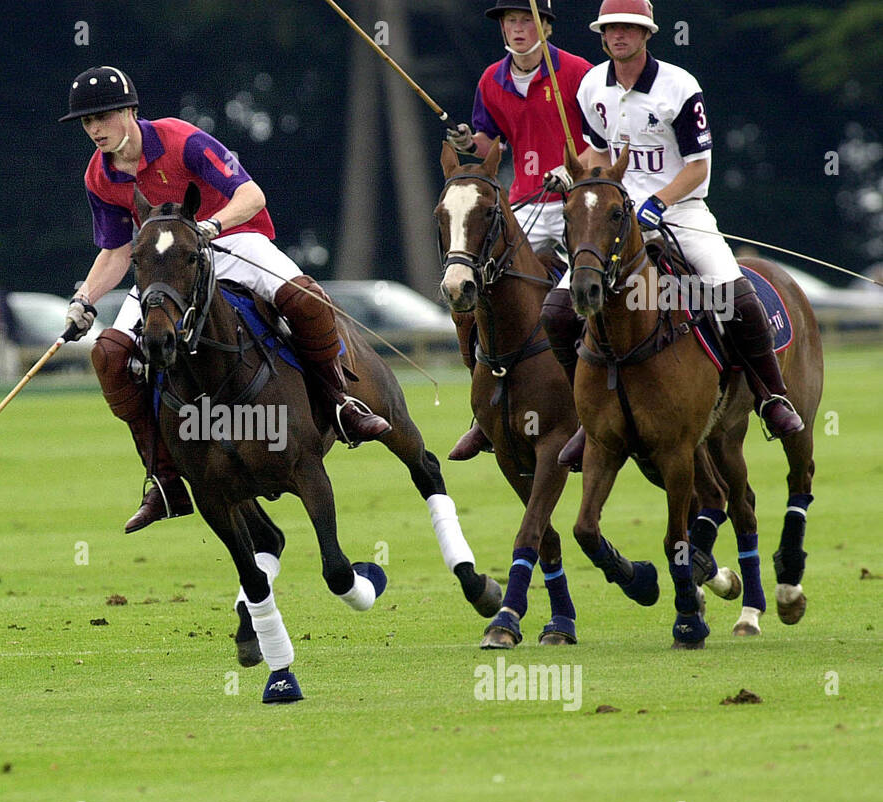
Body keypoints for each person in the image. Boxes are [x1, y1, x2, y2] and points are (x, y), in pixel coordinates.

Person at [59, 66, 390, 533]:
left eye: (104, 116)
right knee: (109, 355)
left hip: (230, 241)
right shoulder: (99, 176)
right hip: (167, 268)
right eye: (87, 122)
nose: (95, 129)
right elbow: (115, 250)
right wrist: (84, 298)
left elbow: (251, 195)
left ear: (131, 111)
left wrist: (212, 226)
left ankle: (342, 405)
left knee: (306, 299)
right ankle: (165, 479)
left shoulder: (181, 139)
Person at [543, 0, 802, 467]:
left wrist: (658, 202)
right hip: (614, 217)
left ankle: (772, 396)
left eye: (630, 28)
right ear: (602, 36)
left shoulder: (678, 87)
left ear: (647, 34)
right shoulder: (590, 86)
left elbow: (698, 165)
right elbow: (597, 152)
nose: (619, 35)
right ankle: (587, 417)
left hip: (680, 209)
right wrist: (579, 178)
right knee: (558, 313)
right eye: (611, 29)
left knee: (732, 293)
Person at [446, 0, 594, 461]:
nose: (517, 29)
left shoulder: (578, 73)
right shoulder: (492, 79)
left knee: (588, 300)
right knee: (479, 296)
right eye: (510, 21)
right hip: (525, 202)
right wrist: (470, 143)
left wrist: (573, 171)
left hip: (576, 201)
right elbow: (492, 143)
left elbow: (603, 142)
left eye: (526, 20)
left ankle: (596, 404)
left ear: (545, 26)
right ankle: (484, 415)